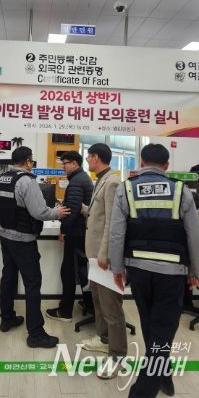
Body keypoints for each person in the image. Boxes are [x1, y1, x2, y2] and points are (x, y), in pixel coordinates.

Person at [109, 143, 199, 398]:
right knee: (162, 332)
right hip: (172, 272)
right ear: (166, 165)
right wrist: (197, 271)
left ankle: (163, 376)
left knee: (151, 326)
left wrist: (117, 268)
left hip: (138, 270)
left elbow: (116, 233)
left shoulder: (126, 188)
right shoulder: (181, 190)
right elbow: (194, 235)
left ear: (141, 162)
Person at [0, 146, 70, 348]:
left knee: (8, 277)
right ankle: (35, 334)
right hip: (23, 239)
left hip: (5, 236)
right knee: (32, 284)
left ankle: (7, 318)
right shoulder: (27, 182)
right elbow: (39, 212)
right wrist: (57, 213)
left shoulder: (2, 178)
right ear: (28, 161)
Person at [79, 143, 127, 379]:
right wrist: (85, 210)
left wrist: (105, 254)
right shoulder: (101, 179)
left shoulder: (112, 182)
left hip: (103, 255)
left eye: (88, 157)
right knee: (98, 299)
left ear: (96, 157)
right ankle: (104, 338)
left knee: (111, 306)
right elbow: (98, 214)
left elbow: (112, 222)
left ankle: (117, 355)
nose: (87, 160)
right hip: (94, 254)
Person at [46, 151, 93, 322]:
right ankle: (90, 305)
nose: (63, 167)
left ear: (74, 163)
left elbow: (70, 211)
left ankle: (65, 311)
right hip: (83, 232)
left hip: (75, 233)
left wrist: (64, 230)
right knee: (82, 270)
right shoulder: (82, 178)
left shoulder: (76, 182)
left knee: (68, 272)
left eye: (64, 163)